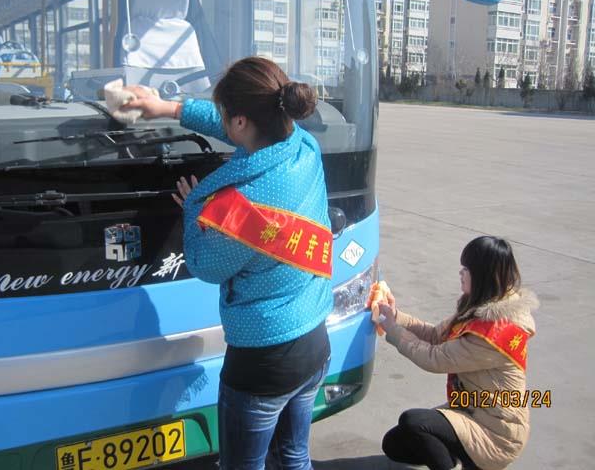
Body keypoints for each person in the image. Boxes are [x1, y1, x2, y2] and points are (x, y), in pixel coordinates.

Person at [123, 56, 332, 470]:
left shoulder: (248, 206)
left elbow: (205, 266)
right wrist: (169, 108)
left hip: (263, 364)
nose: (222, 121)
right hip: (314, 343)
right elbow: (236, 126)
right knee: (294, 456)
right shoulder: (301, 146)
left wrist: (194, 212)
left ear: (240, 121)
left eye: (224, 113)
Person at [378, 236, 539, 470]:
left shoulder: (495, 332)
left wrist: (393, 330)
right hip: (473, 410)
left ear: (482, 275)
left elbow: (435, 358)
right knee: (396, 443)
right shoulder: (480, 308)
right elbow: (436, 335)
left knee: (414, 422)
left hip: (497, 433)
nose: (461, 273)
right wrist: (396, 317)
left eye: (466, 269)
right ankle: (460, 460)